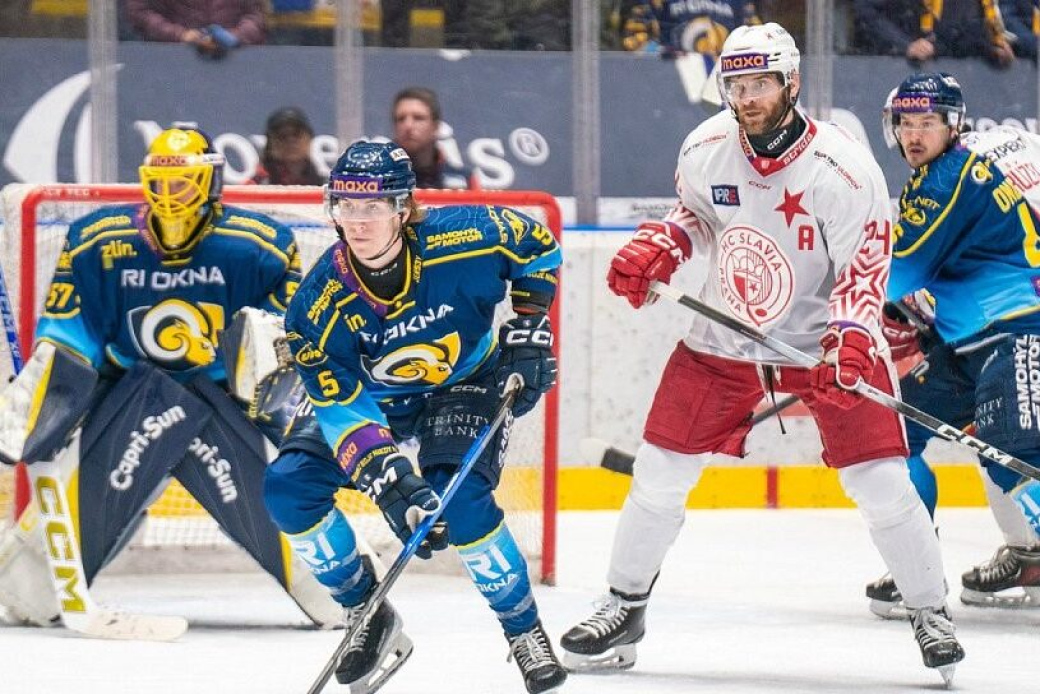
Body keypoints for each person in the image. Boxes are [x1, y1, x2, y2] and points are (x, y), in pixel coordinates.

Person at [558, 22, 965, 685]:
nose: (746, 98)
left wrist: (852, 338)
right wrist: (664, 242)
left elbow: (865, 269)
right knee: (660, 471)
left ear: (791, 83)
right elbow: (696, 216)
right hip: (724, 336)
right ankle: (624, 606)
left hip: (823, 342)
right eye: (736, 86)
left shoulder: (843, 168)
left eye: (759, 85)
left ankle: (928, 609)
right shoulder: (705, 147)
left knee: (881, 483)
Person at [0, 124, 341, 631]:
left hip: (224, 398)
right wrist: (49, 385)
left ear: (210, 182)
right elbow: (73, 332)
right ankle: (33, 580)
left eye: (181, 183)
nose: (169, 195)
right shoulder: (97, 241)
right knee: (27, 596)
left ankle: (338, 579)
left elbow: (280, 351)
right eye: (159, 183)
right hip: (125, 397)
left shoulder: (259, 247)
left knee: (265, 468)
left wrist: (275, 398)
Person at [262, 140, 567, 694]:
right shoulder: (314, 307)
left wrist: (529, 323)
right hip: (373, 399)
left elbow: (538, 245)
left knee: (461, 499)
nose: (356, 221)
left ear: (403, 208)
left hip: (463, 382)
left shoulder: (468, 235)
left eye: (372, 207)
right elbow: (341, 406)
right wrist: (389, 482)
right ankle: (368, 613)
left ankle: (523, 631)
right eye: (345, 206)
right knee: (287, 488)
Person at [865, 74, 1040, 618]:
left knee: (1015, 455)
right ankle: (914, 567)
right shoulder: (937, 176)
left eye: (928, 123)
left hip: (1017, 330)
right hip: (965, 341)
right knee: (893, 438)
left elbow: (894, 275)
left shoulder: (945, 180)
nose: (915, 134)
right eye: (907, 123)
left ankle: (1031, 556)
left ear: (953, 126)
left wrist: (843, 324)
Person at [853, 0, 1015, 68]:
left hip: (966, 74)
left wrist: (992, 47)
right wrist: (905, 45)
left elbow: (969, 26)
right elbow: (866, 13)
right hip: (899, 69)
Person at [391, 87, 479, 190]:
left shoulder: (463, 180)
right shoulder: (377, 179)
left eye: (418, 118)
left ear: (436, 126)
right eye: (401, 119)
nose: (408, 125)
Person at [124, 0, 265, 58]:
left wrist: (233, 36)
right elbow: (139, 13)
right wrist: (180, 35)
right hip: (172, 63)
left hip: (235, 63)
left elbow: (256, 16)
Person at [616, 0, 759, 56]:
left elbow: (758, 41)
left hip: (724, 83)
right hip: (669, 82)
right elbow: (635, 42)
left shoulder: (740, 3)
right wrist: (662, 54)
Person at [251, 106, 325, 186]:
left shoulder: (327, 187)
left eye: (297, 133)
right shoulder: (254, 187)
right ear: (270, 145)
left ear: (309, 139)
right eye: (282, 135)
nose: (291, 141)